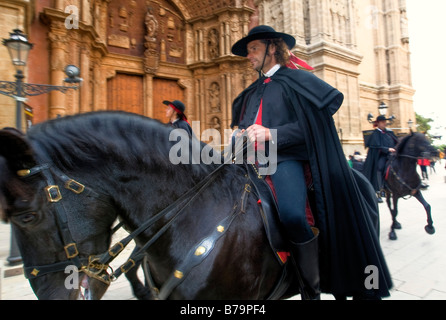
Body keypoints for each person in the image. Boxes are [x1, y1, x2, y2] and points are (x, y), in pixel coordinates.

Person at [231, 25, 392, 299]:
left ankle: (309, 287)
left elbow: (313, 126)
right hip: (250, 160)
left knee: (293, 215)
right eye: (247, 52)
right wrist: (240, 134)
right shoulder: (251, 91)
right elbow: (245, 127)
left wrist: (271, 133)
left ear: (272, 48)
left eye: (254, 49)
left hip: (287, 158)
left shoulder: (297, 81)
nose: (249, 56)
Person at [362, 115, 398, 202]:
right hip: (382, 156)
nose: (384, 123)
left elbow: (396, 141)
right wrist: (388, 149)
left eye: (385, 122)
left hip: (393, 155)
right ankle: (379, 190)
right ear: (377, 123)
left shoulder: (389, 132)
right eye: (382, 122)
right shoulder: (375, 134)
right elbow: (376, 147)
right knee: (379, 168)